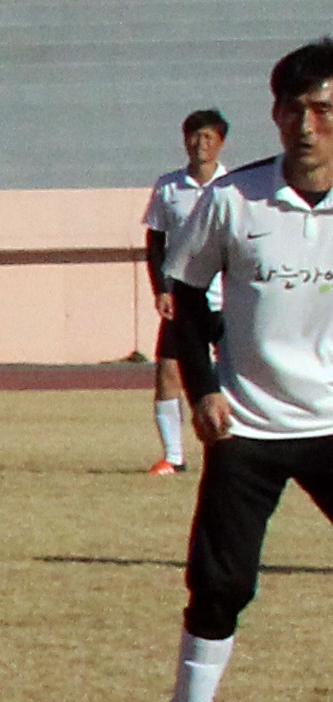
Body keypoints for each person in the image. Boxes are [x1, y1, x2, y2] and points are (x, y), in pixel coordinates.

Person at [160, 41, 333, 702]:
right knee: (222, 581)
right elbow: (187, 300)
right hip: (249, 426)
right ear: (274, 112)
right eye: (294, 109)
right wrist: (202, 389)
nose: (306, 126)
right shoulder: (233, 200)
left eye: (323, 110)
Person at [145, 109, 230, 476]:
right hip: (183, 298)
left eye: (209, 137)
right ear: (185, 141)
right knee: (167, 370)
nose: (201, 144)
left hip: (228, 298)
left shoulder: (233, 186)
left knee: (235, 374)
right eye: (195, 136)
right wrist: (161, 289)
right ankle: (174, 456)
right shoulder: (169, 187)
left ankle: (236, 449)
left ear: (221, 142)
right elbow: (155, 243)